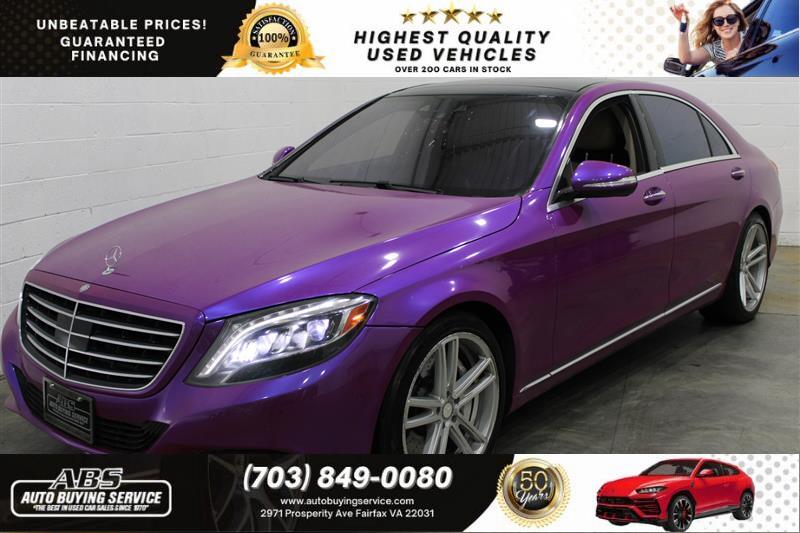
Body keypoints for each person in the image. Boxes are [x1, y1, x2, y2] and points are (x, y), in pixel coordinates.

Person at [670, 0, 748, 66]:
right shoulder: (714, 49)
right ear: (713, 26)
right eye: (719, 21)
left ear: (739, 21)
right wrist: (684, 23)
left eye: (731, 18)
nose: (726, 24)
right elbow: (686, 58)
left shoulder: (751, 35)